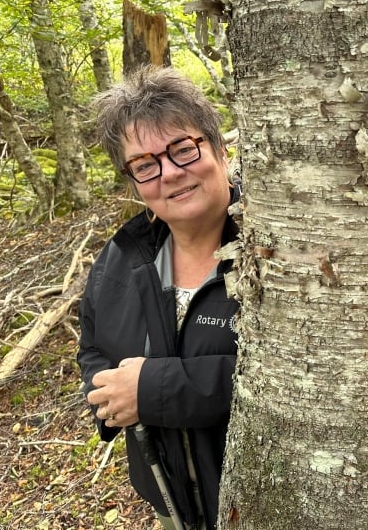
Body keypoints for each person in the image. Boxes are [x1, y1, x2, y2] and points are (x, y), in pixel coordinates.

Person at [77, 65, 239, 530]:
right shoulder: (123, 257)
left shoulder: (275, 247)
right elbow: (94, 346)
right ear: (134, 182)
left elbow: (316, 378)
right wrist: (108, 395)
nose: (169, 173)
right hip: (169, 502)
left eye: (183, 150)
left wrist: (153, 391)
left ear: (220, 149)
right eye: (146, 165)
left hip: (261, 502)